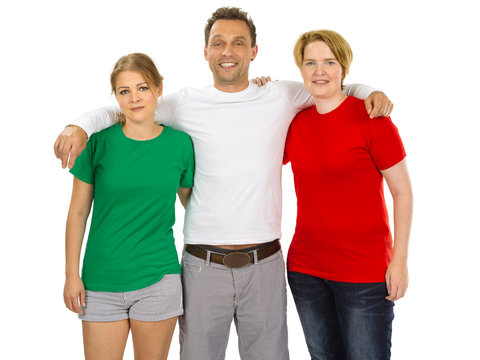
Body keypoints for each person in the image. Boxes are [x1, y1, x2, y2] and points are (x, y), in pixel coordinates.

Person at [55, 7, 393, 360]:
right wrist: (80, 125)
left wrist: (371, 90)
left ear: (254, 51)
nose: (227, 51)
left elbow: (331, 86)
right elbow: (128, 107)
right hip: (203, 267)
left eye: (238, 43)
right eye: (218, 43)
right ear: (206, 52)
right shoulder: (185, 104)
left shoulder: (280, 95)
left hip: (265, 264)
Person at [283, 30, 412, 360]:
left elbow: (402, 192)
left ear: (343, 68)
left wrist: (399, 260)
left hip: (365, 274)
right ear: (300, 70)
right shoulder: (295, 124)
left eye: (329, 62)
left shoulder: (372, 119)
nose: (319, 71)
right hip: (306, 271)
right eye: (310, 63)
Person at [63, 53, 194, 360]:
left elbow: (193, 205)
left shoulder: (180, 144)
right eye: (125, 91)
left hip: (158, 279)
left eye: (143, 88)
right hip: (99, 282)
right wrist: (71, 274)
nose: (135, 98)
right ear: (116, 97)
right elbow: (77, 212)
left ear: (159, 89)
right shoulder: (96, 142)